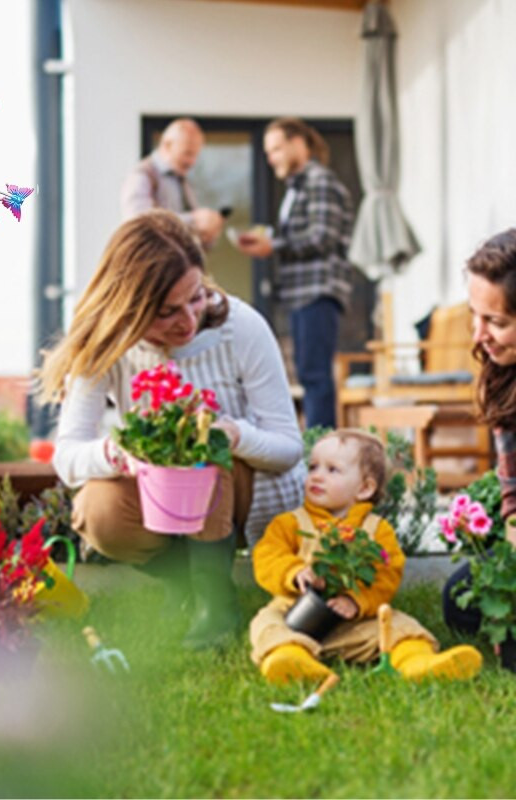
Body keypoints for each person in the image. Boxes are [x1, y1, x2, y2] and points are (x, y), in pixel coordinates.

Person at [38, 209, 304, 650]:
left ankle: (216, 608)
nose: (188, 320)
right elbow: (67, 458)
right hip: (158, 494)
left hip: (243, 489)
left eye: (196, 298)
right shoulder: (107, 343)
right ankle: (188, 587)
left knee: (203, 450)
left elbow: (288, 448)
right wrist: (119, 453)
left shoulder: (242, 328)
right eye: (167, 312)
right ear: (131, 307)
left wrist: (235, 434)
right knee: (97, 511)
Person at [249, 429, 482, 683]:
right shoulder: (290, 523)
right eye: (313, 467)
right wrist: (293, 572)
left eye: (332, 470)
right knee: (266, 623)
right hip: (295, 615)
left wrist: (356, 601)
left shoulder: (376, 530)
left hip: (353, 624)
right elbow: (267, 556)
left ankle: (419, 663)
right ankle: (291, 659)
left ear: (364, 488)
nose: (317, 476)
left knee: (400, 626)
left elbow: (387, 575)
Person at [234, 117, 354, 429]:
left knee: (314, 375)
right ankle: (317, 448)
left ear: (298, 143)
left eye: (276, 149)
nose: (271, 158)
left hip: (317, 290)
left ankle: (320, 450)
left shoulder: (319, 182)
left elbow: (321, 236)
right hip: (301, 291)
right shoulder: (298, 188)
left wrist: (272, 244)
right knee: (308, 372)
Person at [443, 229, 516, 665]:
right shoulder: (502, 376)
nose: (478, 335)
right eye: (475, 315)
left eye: (496, 322)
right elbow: (513, 493)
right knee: (461, 598)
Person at [120, 118, 224, 248]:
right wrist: (194, 221)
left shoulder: (183, 180)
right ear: (167, 145)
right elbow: (137, 222)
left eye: (195, 155)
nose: (192, 162)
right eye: (187, 153)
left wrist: (207, 232)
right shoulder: (143, 174)